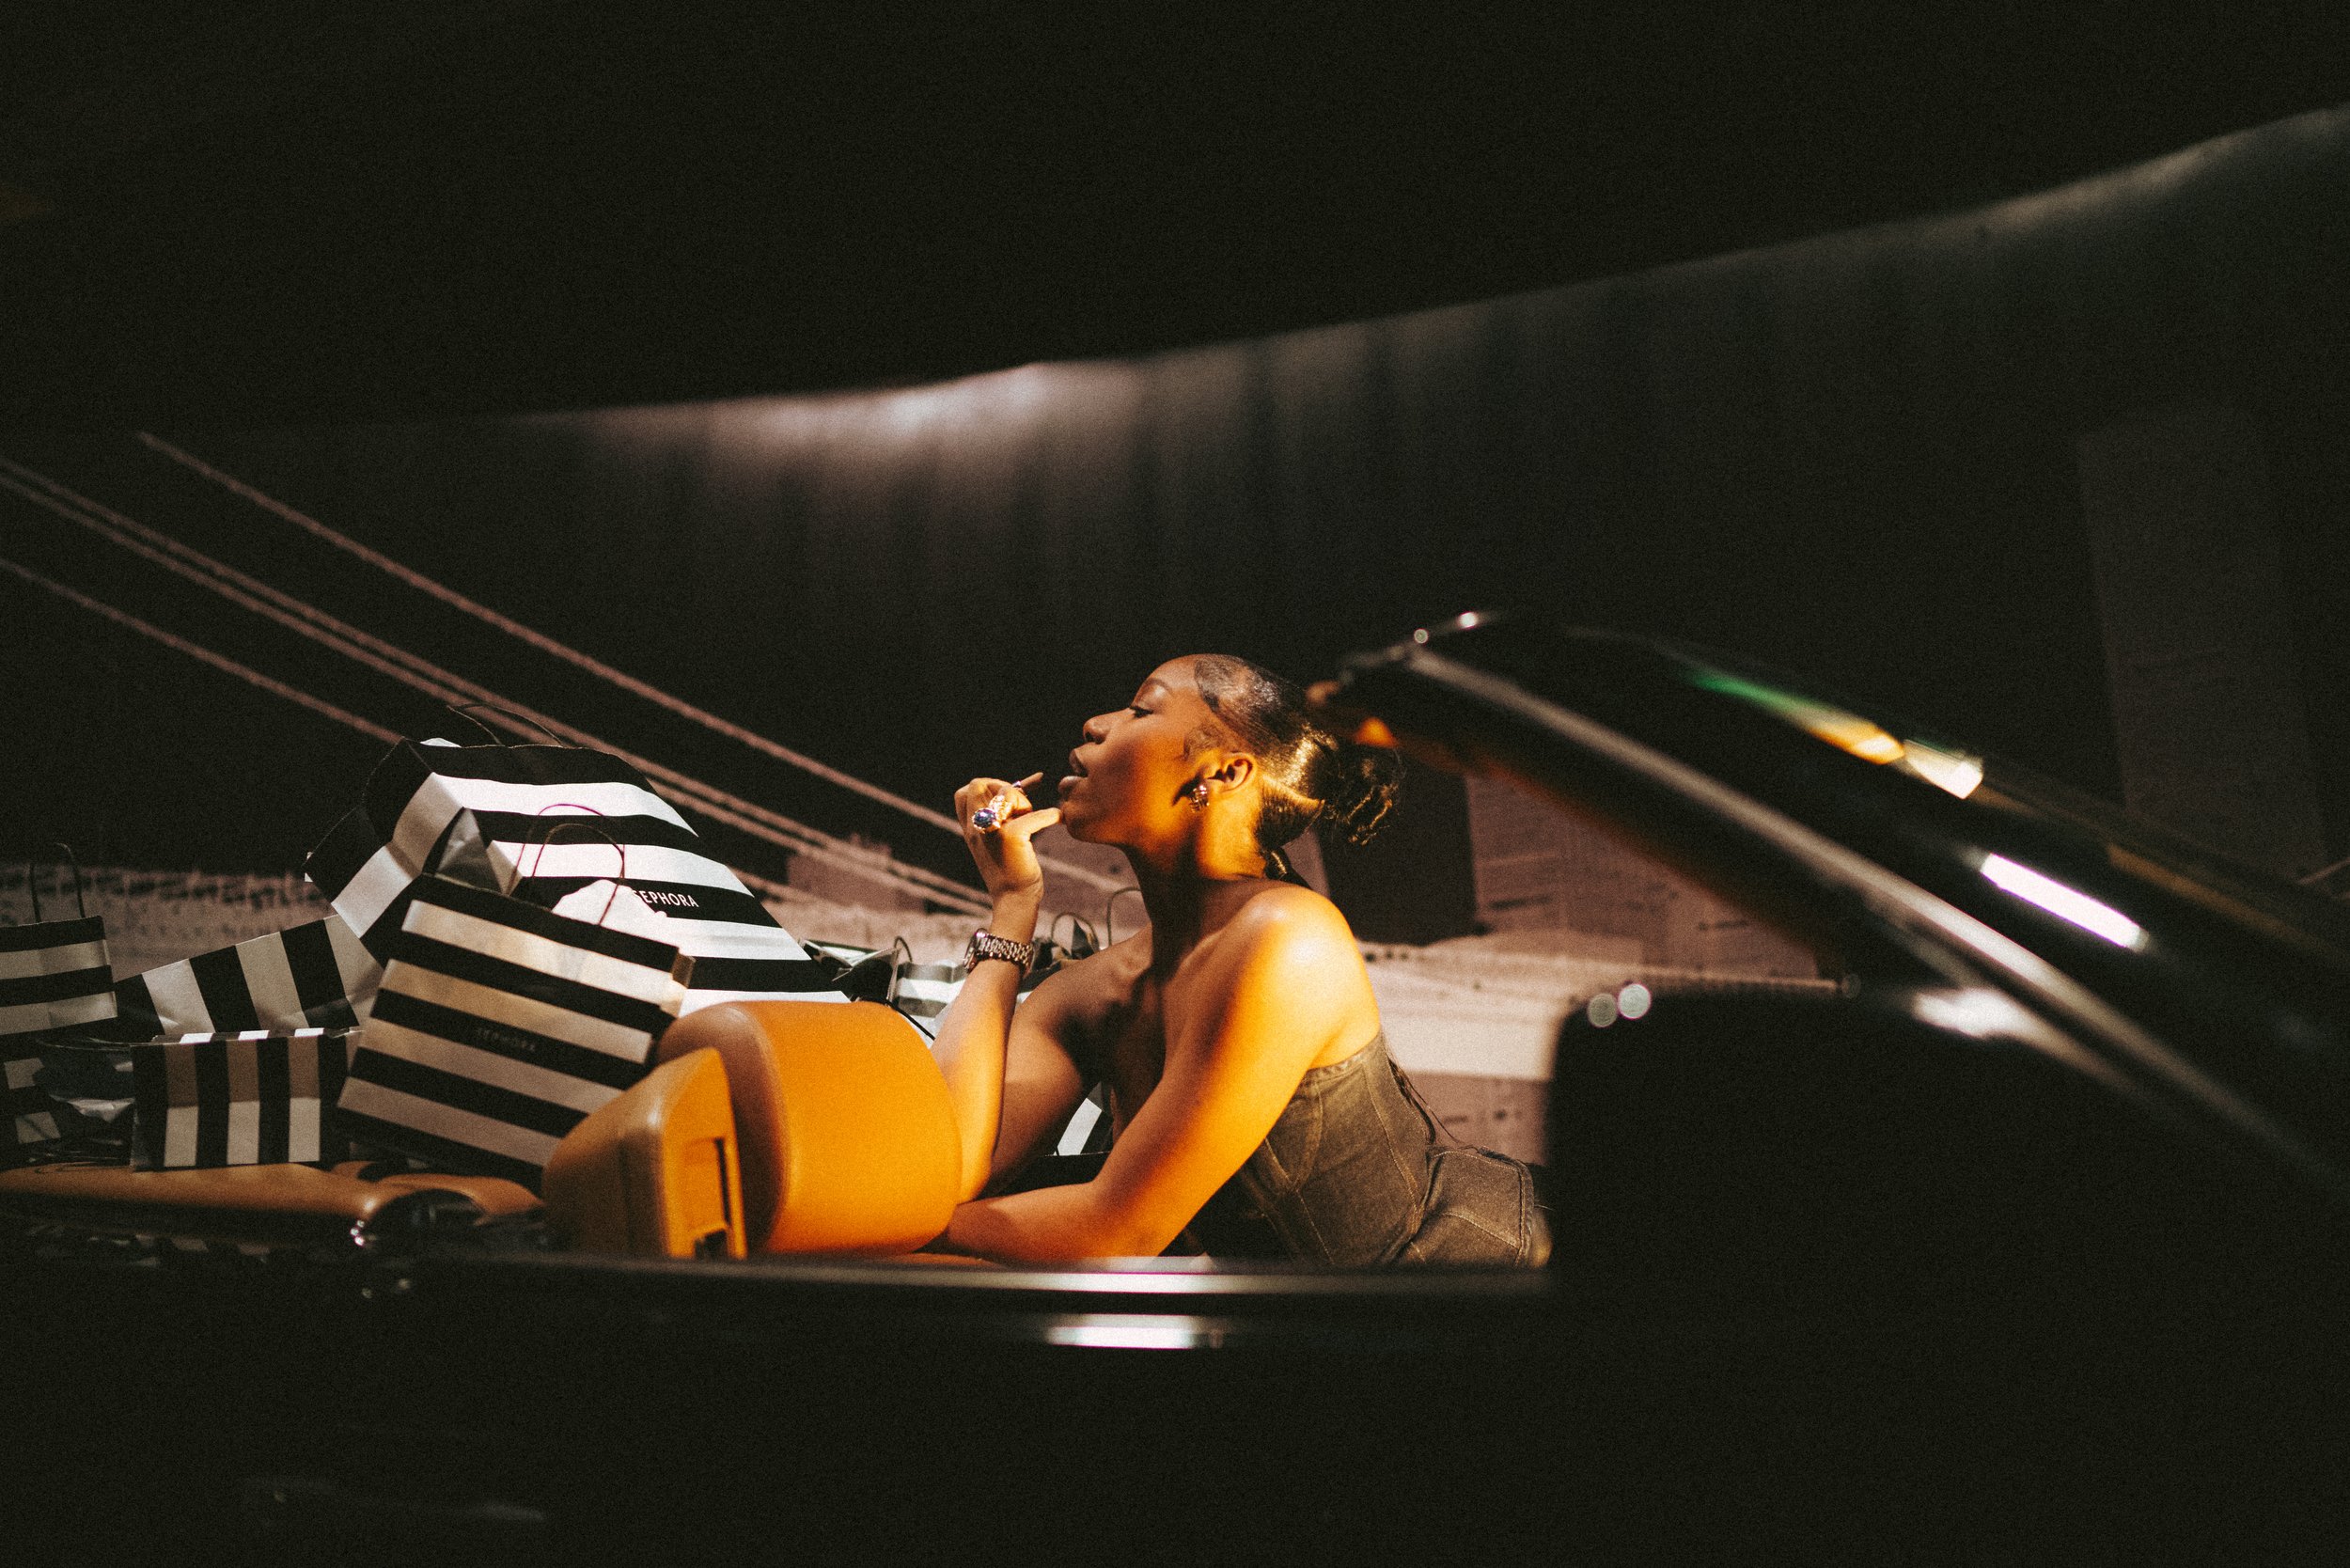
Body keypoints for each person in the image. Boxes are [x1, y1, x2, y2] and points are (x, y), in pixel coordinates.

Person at [928, 653, 1551, 1266]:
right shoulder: (1089, 995)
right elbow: (944, 1168)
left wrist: (906, 1228)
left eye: (1142, 710)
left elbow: (1119, 1226)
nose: (1095, 724)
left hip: (1507, 1279)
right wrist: (1013, 904)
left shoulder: (1288, 937)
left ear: (1225, 774)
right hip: (1341, 1320)